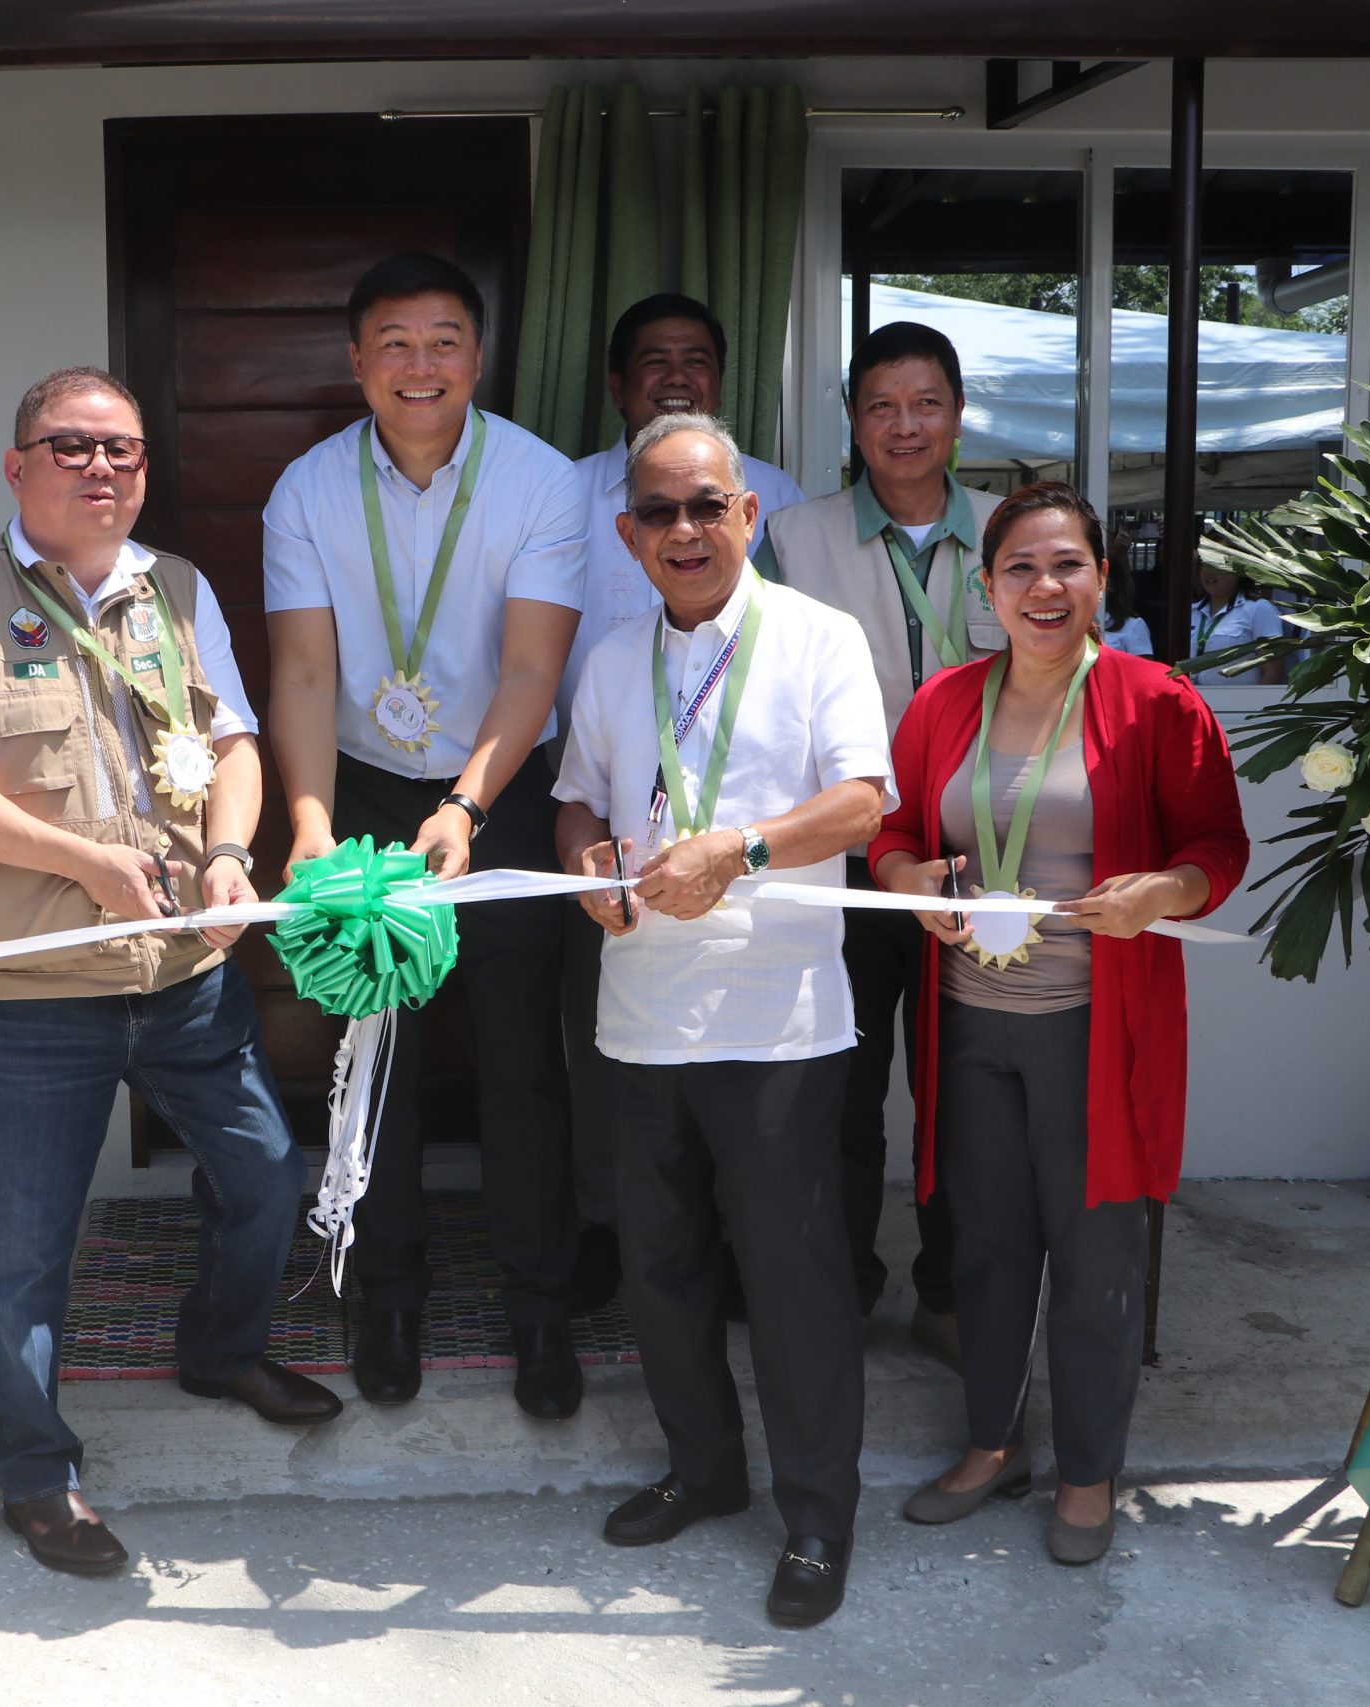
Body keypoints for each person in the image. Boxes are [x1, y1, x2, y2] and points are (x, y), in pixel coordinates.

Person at [0, 367, 339, 1579]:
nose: (100, 469)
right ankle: (37, 1473)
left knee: (264, 1176)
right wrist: (80, 862)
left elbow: (232, 738)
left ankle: (219, 1347)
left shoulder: (173, 590)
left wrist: (236, 854)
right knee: (24, 1252)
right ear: (17, 464)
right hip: (35, 994)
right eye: (71, 446)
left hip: (188, 970)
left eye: (122, 451)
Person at [554, 411, 891, 1627]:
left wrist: (739, 846)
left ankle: (815, 1519)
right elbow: (577, 799)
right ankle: (702, 1470)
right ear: (627, 534)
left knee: (795, 1280)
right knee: (660, 1267)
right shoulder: (606, 659)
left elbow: (862, 802)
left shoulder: (817, 638)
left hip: (778, 1022)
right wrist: (589, 857)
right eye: (659, 513)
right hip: (641, 1015)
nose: (685, 531)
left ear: (749, 514)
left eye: (707, 506)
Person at [871, 482, 1247, 1565]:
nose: (1045, 587)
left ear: (1099, 577)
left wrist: (1158, 896)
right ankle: (993, 1446)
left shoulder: (1154, 701)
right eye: (1020, 569)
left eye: (1067, 565)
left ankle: (1087, 1471)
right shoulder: (943, 701)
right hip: (969, 1029)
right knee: (983, 1248)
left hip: (1096, 1034)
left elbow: (1216, 849)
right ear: (987, 588)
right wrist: (912, 884)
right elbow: (893, 833)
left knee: (1094, 1261)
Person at [263, 252, 586, 1417]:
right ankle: (383, 1293)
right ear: (355, 361)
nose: (419, 365)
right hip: (357, 792)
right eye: (393, 343)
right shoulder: (304, 490)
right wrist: (306, 822)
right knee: (376, 1061)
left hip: (499, 793)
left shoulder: (542, 484)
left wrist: (465, 808)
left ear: (478, 356)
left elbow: (532, 667)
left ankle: (540, 1310)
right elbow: (302, 672)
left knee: (519, 1063)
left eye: (444, 339)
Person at [753, 320, 1004, 1366]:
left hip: (982, 858)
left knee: (965, 1095)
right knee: (839, 1091)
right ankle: (844, 1290)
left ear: (956, 414)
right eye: (880, 407)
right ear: (851, 422)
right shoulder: (794, 537)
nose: (905, 427)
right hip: (845, 861)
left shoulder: (1011, 530)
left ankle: (948, 1293)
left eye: (926, 404)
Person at [558, 293, 811, 1315]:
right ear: (617, 385)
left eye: (694, 358)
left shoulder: (776, 494)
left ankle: (736, 1247)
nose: (672, 374)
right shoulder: (558, 490)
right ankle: (608, 1229)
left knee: (742, 1046)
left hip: (746, 816)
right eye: (651, 359)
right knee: (600, 1031)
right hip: (599, 788)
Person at [1187, 566, 1289, 686]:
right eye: (1204, 565)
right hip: (1193, 700)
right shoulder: (1189, 612)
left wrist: (1259, 703)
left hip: (1240, 702)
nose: (1210, 572)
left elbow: (1273, 671)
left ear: (1238, 571)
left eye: (1217, 564)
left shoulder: (1259, 609)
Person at [1101, 564, 1152, 657]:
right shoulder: (1078, 621)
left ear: (1113, 587)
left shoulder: (1133, 625)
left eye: (1103, 577)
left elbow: (1142, 668)